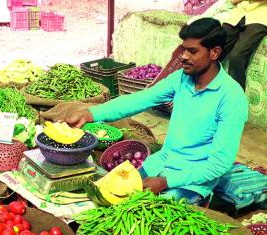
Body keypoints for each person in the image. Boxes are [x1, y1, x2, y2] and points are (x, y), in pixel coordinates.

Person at [60, 18, 248, 205]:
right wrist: (91, 114)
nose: (183, 57)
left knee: (145, 216)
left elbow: (219, 164)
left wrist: (166, 182)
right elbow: (142, 99)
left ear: (215, 52)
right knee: (106, 197)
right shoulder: (181, 78)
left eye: (192, 51)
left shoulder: (231, 98)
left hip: (190, 180)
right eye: (183, 49)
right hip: (160, 163)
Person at [188, 0, 267, 89]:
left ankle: (236, 96)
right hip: (237, 15)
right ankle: (196, 85)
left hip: (260, 17)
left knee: (237, 55)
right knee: (214, 50)